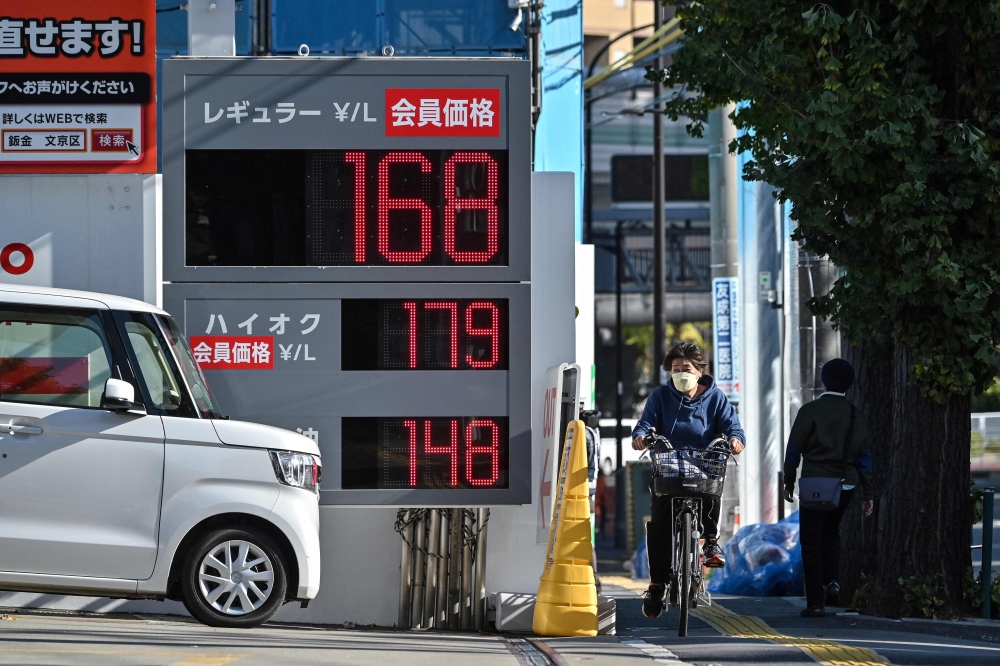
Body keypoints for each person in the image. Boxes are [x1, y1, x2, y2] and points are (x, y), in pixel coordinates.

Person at [631, 342, 745, 619]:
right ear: (668, 372)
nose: (681, 373)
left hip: (704, 466)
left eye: (687, 369)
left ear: (699, 371)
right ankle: (657, 585)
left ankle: (710, 541)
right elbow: (645, 423)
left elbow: (733, 425)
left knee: (712, 490)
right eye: (675, 369)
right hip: (669, 467)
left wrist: (735, 440)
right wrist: (640, 436)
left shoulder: (716, 398)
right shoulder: (660, 396)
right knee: (658, 525)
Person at [783, 358, 874, 618]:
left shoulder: (809, 411)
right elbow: (865, 459)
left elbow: (793, 451)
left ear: (824, 380)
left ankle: (816, 602)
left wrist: (788, 482)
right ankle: (833, 581)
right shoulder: (857, 415)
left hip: (815, 484)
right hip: (846, 485)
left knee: (811, 540)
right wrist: (869, 494)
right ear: (849, 383)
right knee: (832, 532)